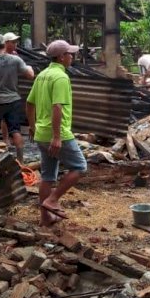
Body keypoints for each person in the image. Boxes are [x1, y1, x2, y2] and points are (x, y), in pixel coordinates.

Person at [25, 40, 87, 227]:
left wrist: (32, 126)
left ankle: (45, 218)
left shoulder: (42, 75)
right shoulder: (60, 77)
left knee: (48, 176)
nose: (72, 57)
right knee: (80, 167)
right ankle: (52, 200)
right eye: (70, 54)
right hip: (57, 133)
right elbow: (57, 107)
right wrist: (58, 137)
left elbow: (29, 103)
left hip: (41, 133)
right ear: (61, 57)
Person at [0, 33, 34, 164]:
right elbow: (30, 75)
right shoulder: (15, 60)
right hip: (13, 100)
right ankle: (20, 161)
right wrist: (29, 67)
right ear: (4, 45)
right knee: (15, 131)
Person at [0, 32, 21, 145]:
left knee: (13, 117)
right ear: (6, 43)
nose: (15, 44)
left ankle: (12, 139)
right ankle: (5, 139)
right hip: (2, 91)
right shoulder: (0, 56)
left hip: (13, 90)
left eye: (15, 42)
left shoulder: (15, 55)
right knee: (4, 117)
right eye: (13, 42)